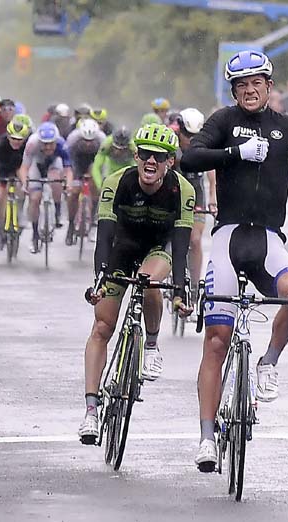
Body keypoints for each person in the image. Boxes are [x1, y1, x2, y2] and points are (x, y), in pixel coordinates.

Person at [179, 50, 288, 470]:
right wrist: (235, 153)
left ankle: (269, 362)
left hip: (268, 241)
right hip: (229, 239)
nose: (250, 91)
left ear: (270, 86)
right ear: (234, 91)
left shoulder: (285, 127)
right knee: (216, 341)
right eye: (242, 85)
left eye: (257, 84)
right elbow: (189, 158)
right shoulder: (223, 121)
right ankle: (207, 438)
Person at [78, 123, 195, 444]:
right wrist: (100, 278)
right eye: (145, 154)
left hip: (158, 251)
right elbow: (103, 237)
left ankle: (152, 344)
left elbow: (182, 246)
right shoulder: (117, 183)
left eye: (159, 157)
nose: (151, 162)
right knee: (102, 328)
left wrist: (182, 292)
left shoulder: (182, 190)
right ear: (135, 155)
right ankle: (90, 411)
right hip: (121, 249)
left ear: (171, 161)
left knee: (148, 281)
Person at [173, 108, 217, 292]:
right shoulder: (171, 143)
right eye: (186, 134)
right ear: (179, 129)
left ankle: (193, 287)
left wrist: (213, 199)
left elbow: (212, 172)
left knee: (195, 240)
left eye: (195, 135)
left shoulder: (205, 144)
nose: (190, 139)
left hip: (195, 191)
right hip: (173, 191)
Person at [18, 122, 72, 253]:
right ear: (39, 141)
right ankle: (35, 234)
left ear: (56, 141)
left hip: (54, 163)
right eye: (44, 143)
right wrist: (25, 183)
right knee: (35, 198)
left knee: (56, 180)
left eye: (51, 144)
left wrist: (68, 184)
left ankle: (57, 211)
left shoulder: (61, 145)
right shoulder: (32, 144)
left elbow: (68, 169)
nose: (48, 147)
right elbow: (24, 168)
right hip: (37, 163)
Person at [64, 118, 106, 245]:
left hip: (94, 160)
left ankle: (93, 218)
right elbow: (68, 162)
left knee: (95, 186)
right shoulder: (73, 138)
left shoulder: (101, 139)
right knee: (74, 192)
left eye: (91, 141)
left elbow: (102, 162)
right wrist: (71, 181)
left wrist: (99, 179)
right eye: (85, 140)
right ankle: (71, 225)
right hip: (77, 161)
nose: (88, 144)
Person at [0, 118, 30, 251]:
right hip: (3, 168)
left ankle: (20, 212)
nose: (16, 142)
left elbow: (26, 165)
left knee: (23, 189)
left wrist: (25, 182)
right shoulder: (0, 144)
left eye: (20, 139)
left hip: (20, 167)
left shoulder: (28, 144)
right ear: (8, 135)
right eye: (13, 138)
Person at [90, 126, 136, 192]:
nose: (119, 151)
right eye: (116, 147)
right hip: (110, 171)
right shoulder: (106, 144)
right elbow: (96, 167)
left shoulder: (133, 148)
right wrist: (100, 186)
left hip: (126, 170)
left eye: (122, 149)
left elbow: (139, 166)